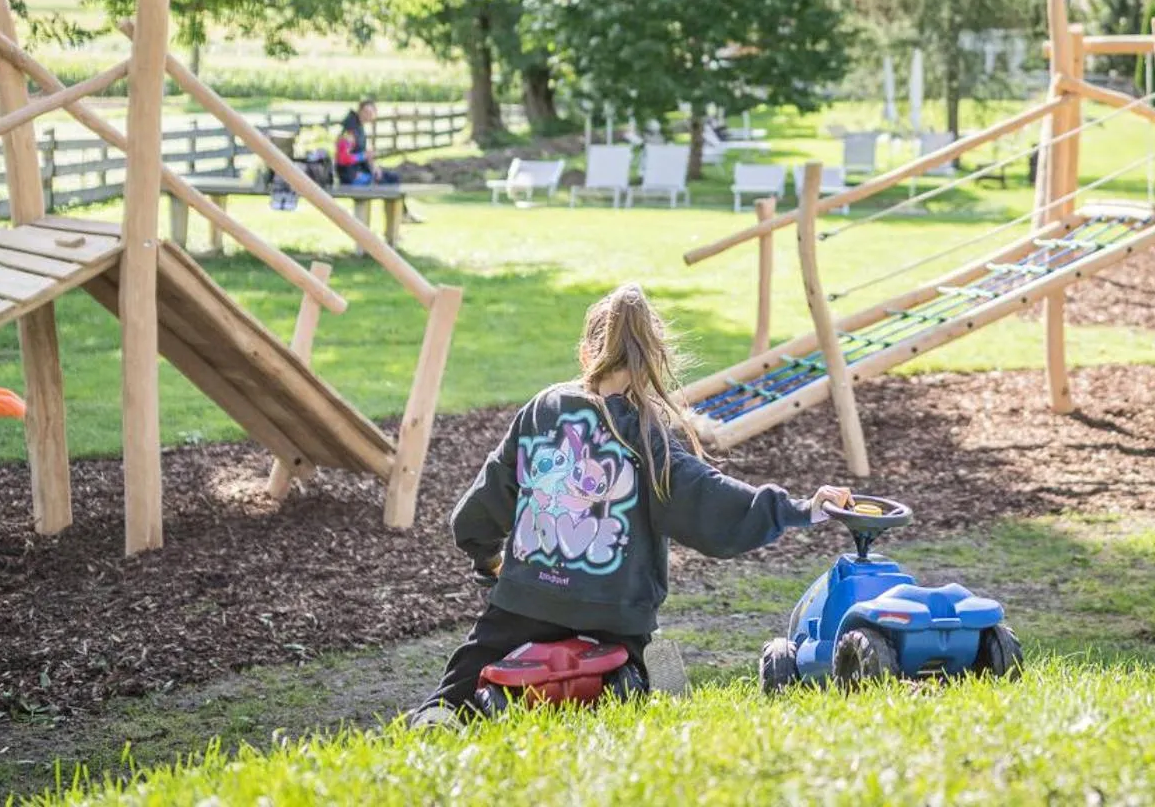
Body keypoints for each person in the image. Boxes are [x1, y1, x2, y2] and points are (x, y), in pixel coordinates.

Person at [412, 284, 850, 724]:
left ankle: (440, 716)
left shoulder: (542, 410)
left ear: (586, 354)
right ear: (652, 362)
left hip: (526, 604)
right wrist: (800, 508)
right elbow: (711, 500)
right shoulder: (649, 435)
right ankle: (628, 682)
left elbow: (487, 499)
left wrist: (486, 555)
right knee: (646, 674)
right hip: (614, 617)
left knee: (462, 681)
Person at [334, 99, 399, 186]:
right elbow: (342, 158)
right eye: (366, 112)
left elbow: (364, 154)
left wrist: (374, 167)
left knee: (393, 177)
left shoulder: (359, 127)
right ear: (359, 111)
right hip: (350, 176)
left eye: (371, 112)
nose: (368, 115)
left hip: (359, 170)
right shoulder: (349, 131)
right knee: (387, 183)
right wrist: (363, 156)